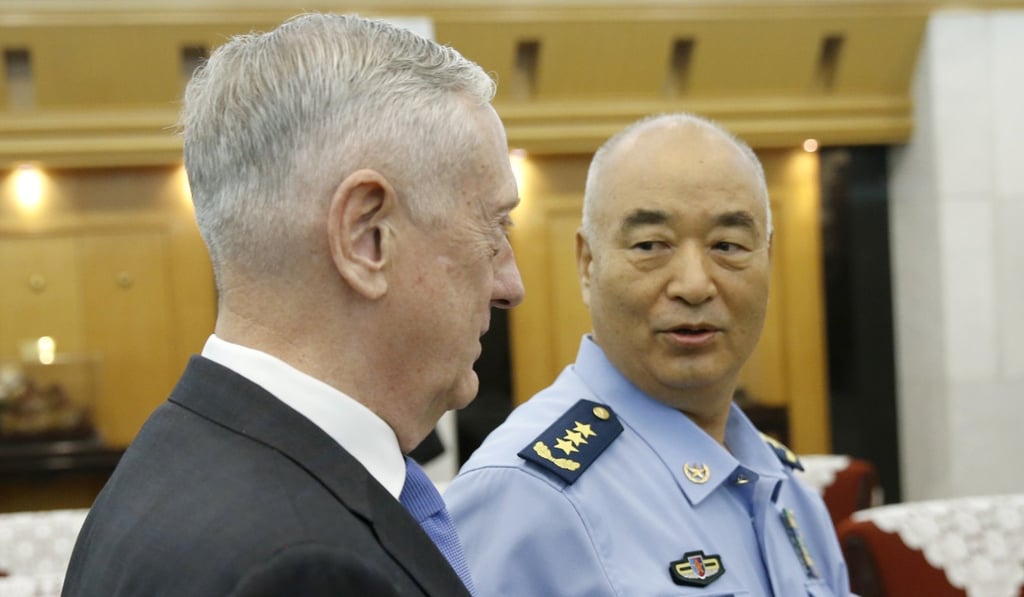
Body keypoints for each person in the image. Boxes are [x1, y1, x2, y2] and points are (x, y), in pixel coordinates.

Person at [62, 13, 523, 597]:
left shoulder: (177, 460)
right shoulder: (305, 568)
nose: (510, 283)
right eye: (492, 226)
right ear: (367, 238)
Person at [445, 113, 854, 596]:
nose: (694, 285)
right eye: (650, 245)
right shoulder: (527, 495)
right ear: (588, 264)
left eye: (728, 245)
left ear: (767, 257)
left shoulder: (787, 491)